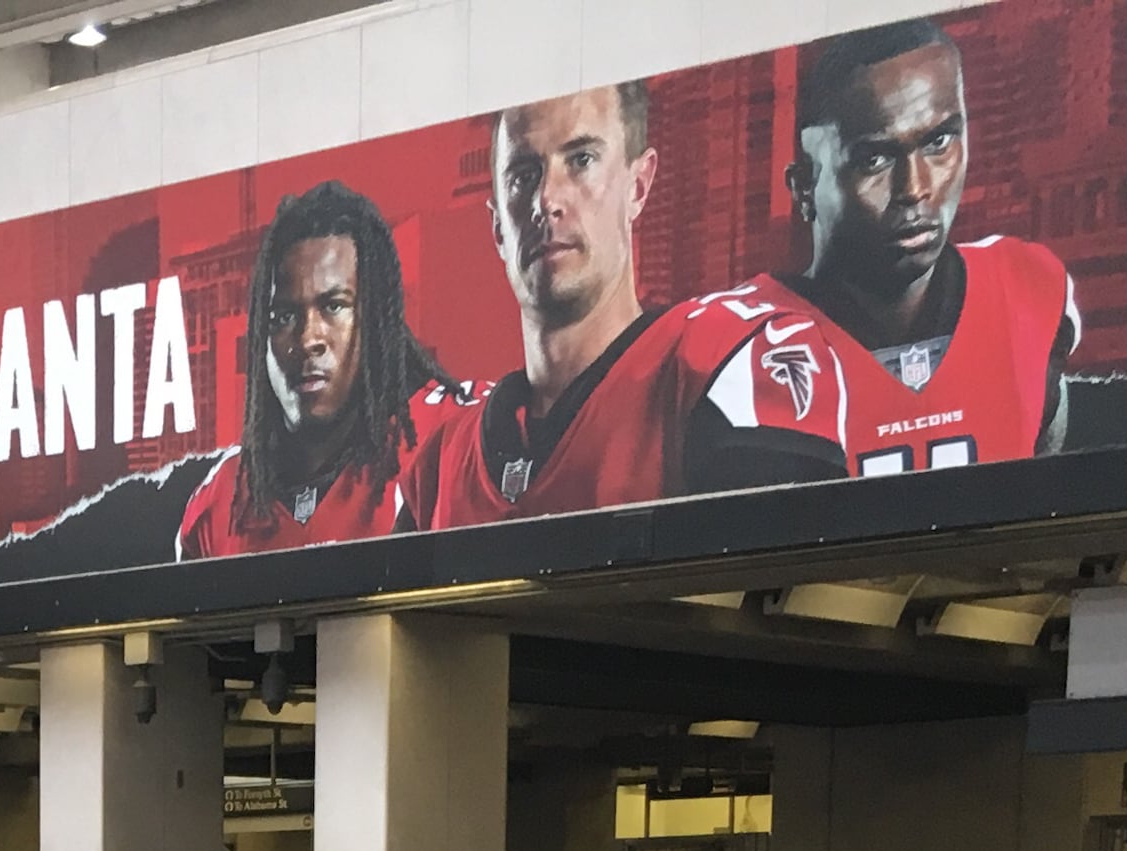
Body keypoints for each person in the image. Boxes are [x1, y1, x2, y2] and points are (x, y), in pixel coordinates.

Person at [412, 81, 855, 524]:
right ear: (497, 229)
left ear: (639, 185)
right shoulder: (441, 459)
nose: (547, 199)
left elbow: (789, 579)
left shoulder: (727, 359)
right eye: (524, 176)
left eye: (581, 160)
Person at [772, 18, 1078, 468]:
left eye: (938, 142)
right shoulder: (742, 341)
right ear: (804, 189)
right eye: (874, 159)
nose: (915, 188)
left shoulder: (1027, 287)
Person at [176, 181, 471, 559]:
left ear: (375, 317)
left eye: (333, 306)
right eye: (282, 316)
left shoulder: (446, 441)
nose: (308, 339)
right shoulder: (219, 504)